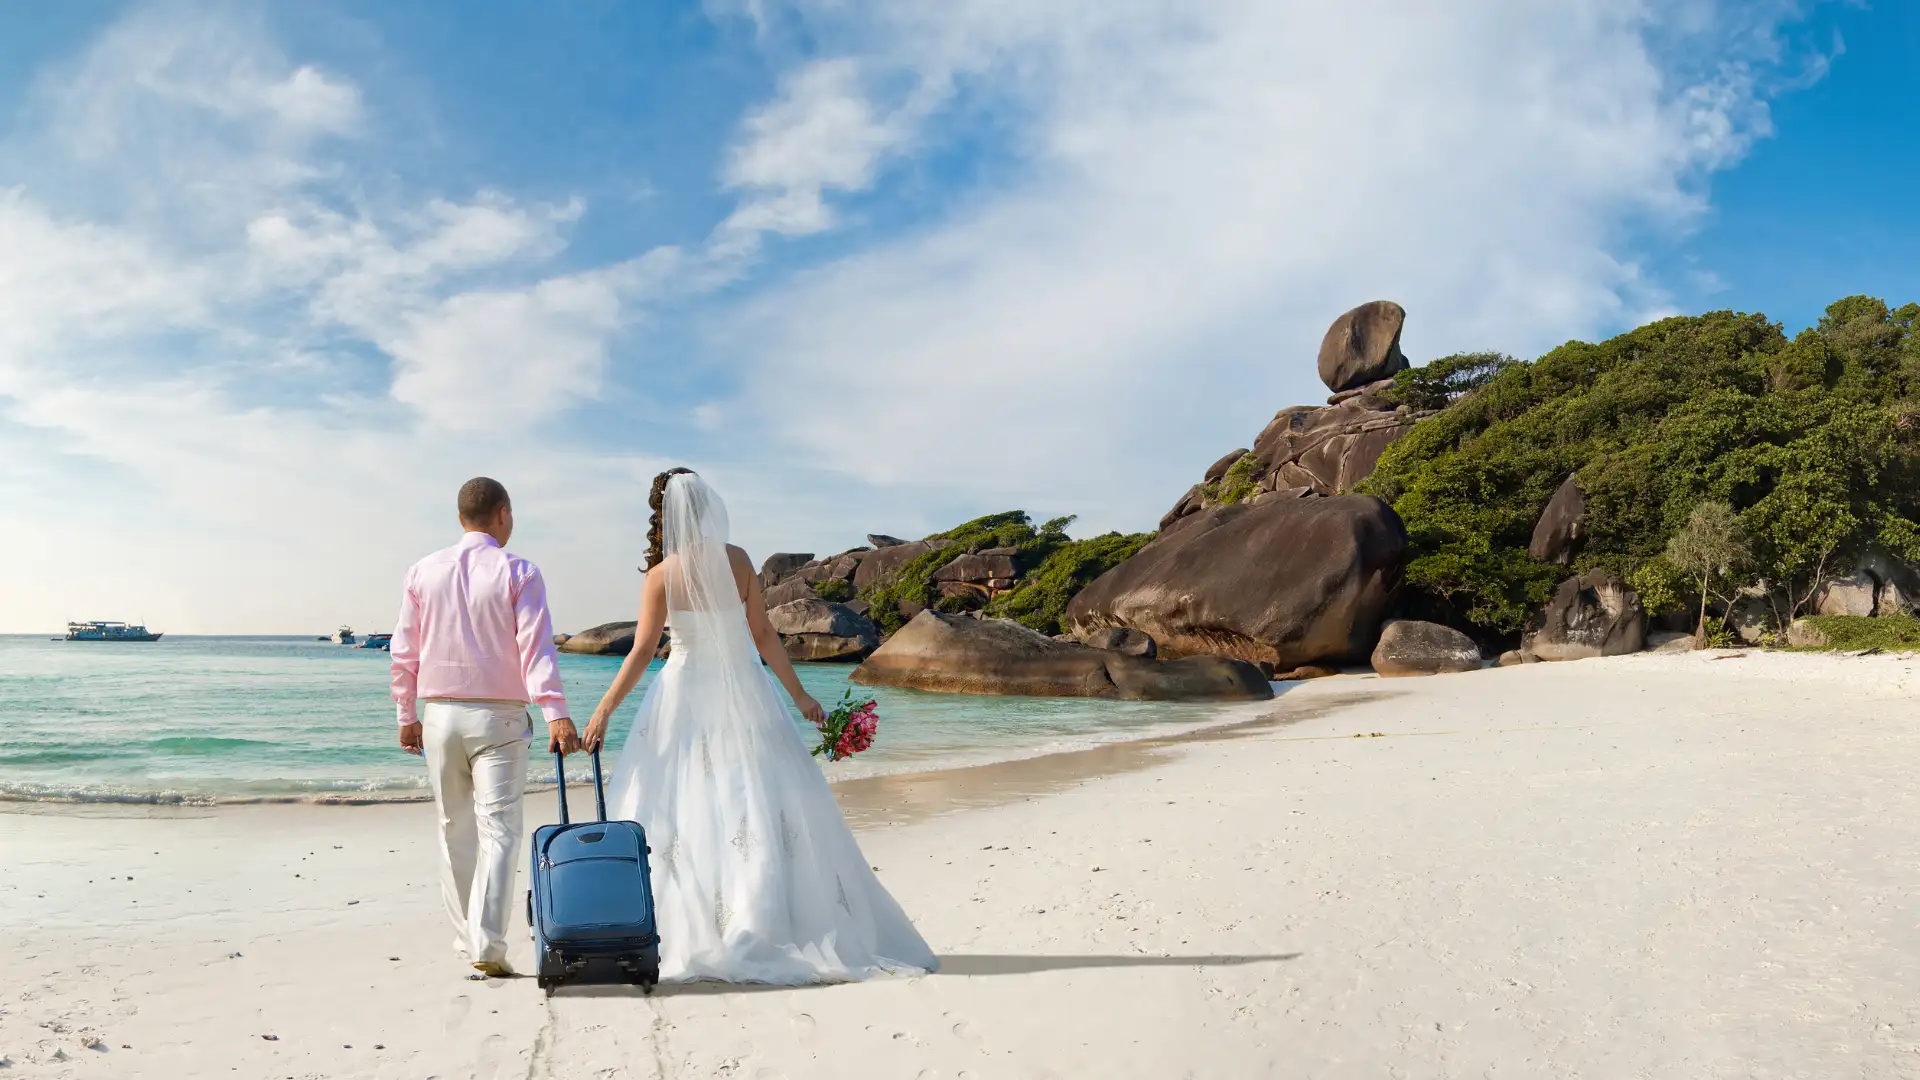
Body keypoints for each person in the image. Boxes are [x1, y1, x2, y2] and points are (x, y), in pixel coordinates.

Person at [582, 468, 937, 984]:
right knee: (755, 799)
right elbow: (764, 634)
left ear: (662, 516)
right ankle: (764, 913)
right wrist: (799, 696)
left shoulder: (660, 577)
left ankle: (686, 924)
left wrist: (604, 709)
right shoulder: (739, 559)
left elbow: (641, 652)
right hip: (745, 691)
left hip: (683, 693)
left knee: (685, 807)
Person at [389, 476, 580, 978]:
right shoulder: (520, 571)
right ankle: (488, 941)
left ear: (460, 519)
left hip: (440, 716)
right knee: (500, 830)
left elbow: (403, 651)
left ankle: (465, 936)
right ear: (502, 515)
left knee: (454, 827)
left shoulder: (422, 571)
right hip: (498, 716)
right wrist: (555, 711)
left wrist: (405, 715)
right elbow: (535, 648)